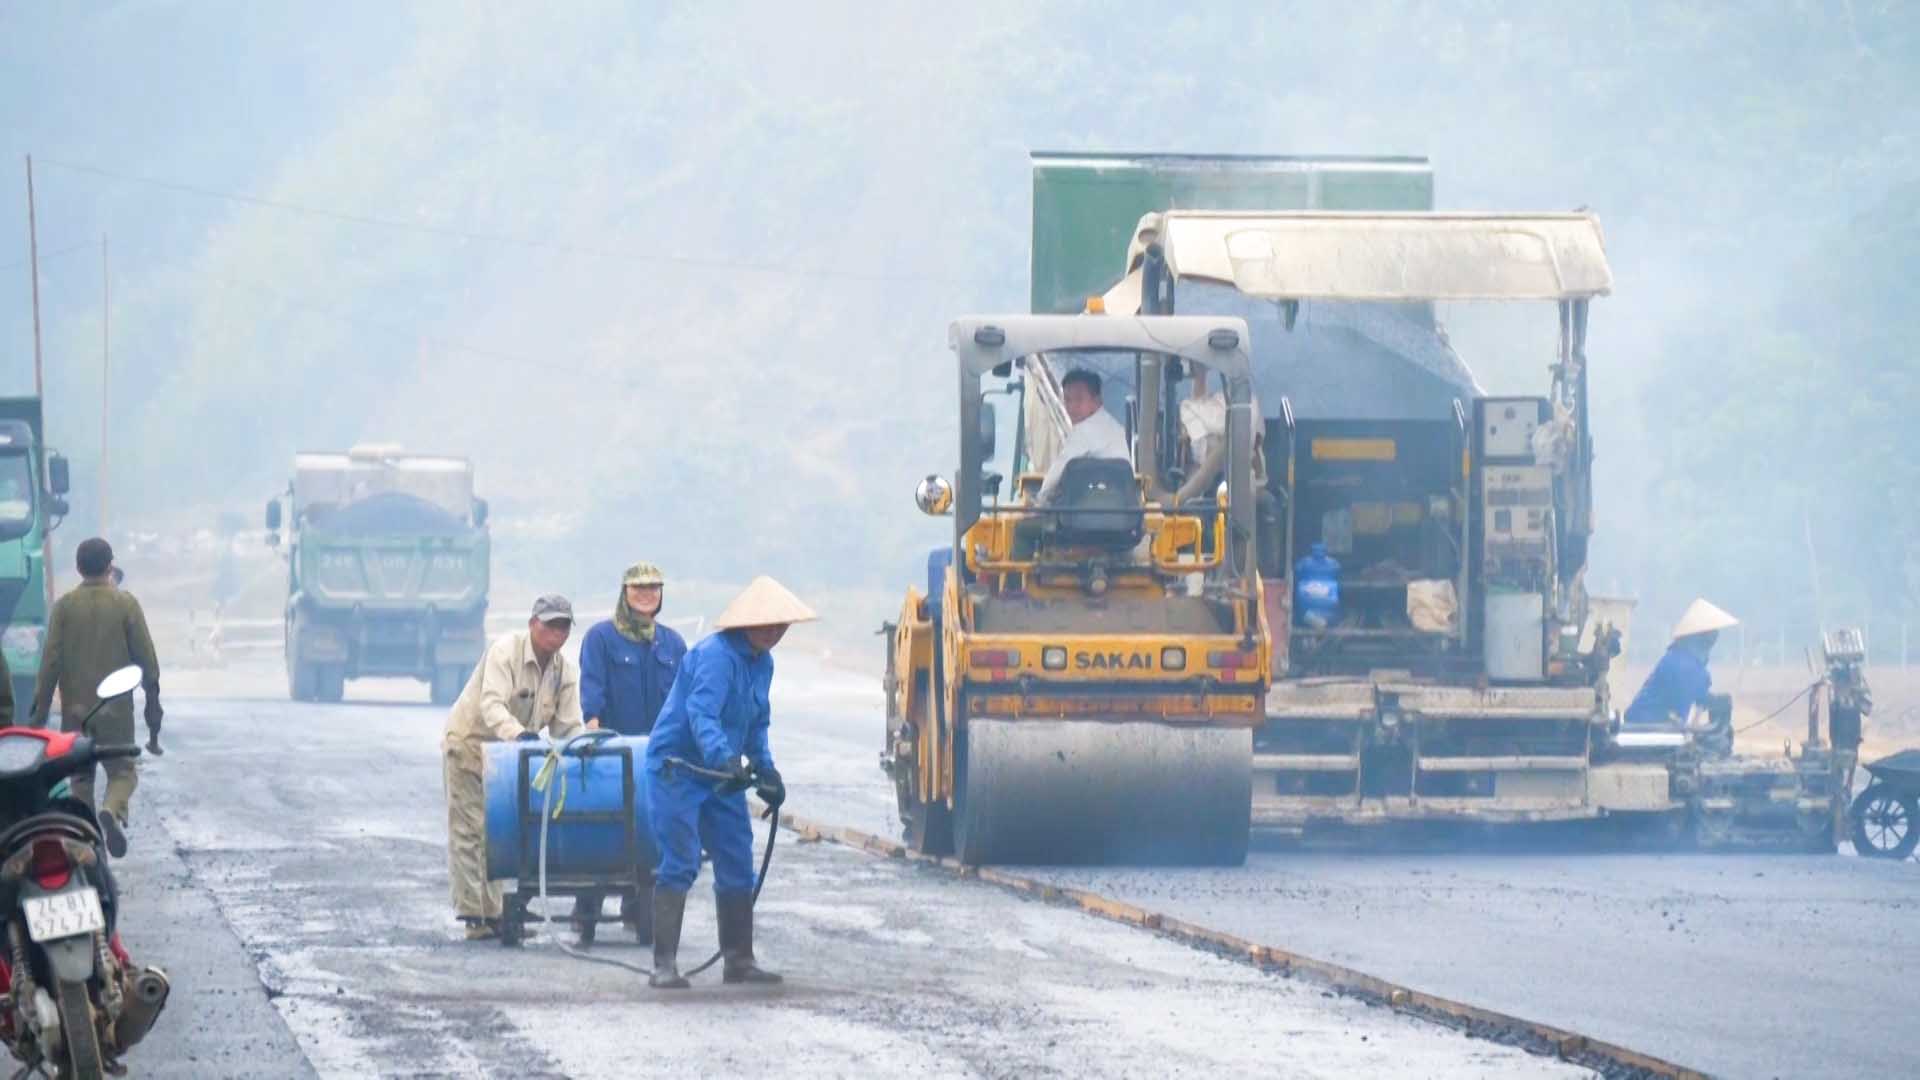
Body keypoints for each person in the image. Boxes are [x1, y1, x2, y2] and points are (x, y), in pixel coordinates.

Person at [642, 576, 815, 990]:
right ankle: (663, 965)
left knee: (737, 858)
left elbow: (756, 723)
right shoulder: (716, 656)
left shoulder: (763, 664)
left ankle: (739, 959)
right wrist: (724, 758)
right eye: (767, 624)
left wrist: (766, 770)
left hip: (721, 775)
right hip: (679, 769)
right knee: (681, 861)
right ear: (746, 623)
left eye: (781, 625)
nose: (774, 632)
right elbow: (702, 714)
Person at [441, 594, 585, 940]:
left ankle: (497, 912)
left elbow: (568, 726)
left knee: (500, 832)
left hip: (510, 760)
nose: (557, 632)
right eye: (550, 624)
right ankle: (476, 917)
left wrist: (584, 748)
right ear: (533, 624)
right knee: (471, 831)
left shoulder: (564, 672)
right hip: (471, 746)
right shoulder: (505, 652)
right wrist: (519, 734)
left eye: (563, 626)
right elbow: (491, 705)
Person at [571, 562, 686, 944]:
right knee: (603, 830)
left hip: (659, 758)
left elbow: (685, 698)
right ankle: (587, 907)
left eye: (653, 588)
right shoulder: (601, 638)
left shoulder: (672, 644)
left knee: (653, 832)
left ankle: (638, 909)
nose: (646, 594)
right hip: (612, 756)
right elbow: (592, 690)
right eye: (638, 588)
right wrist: (592, 730)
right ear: (624, 593)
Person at [30, 538, 161, 858]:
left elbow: (50, 663)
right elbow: (147, 660)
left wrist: (39, 715)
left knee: (81, 778)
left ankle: (88, 840)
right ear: (110, 565)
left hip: (76, 712)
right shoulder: (126, 604)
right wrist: (153, 698)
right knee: (123, 772)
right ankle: (111, 810)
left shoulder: (64, 607)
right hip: (115, 710)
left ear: (78, 568)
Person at [1625, 598, 1738, 728]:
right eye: (1712, 633)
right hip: (1650, 725)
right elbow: (1689, 696)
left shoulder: (1678, 656)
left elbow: (1696, 698)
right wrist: (1713, 701)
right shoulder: (1685, 664)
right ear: (1703, 636)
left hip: (1647, 722)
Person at [1036, 369, 1130, 504]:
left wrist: (1040, 501)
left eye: (1079, 399)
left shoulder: (1085, 430)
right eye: (1067, 400)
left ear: (1097, 401)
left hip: (1093, 506)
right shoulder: (1116, 428)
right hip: (1124, 506)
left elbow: (1056, 474)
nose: (1072, 407)